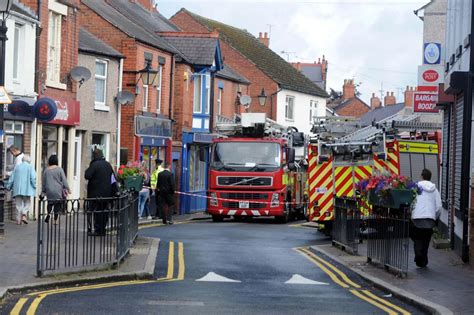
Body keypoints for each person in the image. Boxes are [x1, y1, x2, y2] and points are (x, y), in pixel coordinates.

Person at [411, 168, 441, 268]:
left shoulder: (416, 187)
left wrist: (412, 214)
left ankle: (418, 255)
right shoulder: (434, 190)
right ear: (430, 177)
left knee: (417, 238)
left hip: (417, 217)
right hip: (430, 218)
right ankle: (423, 260)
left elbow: (411, 202)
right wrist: (434, 217)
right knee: (426, 240)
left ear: (422, 176)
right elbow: (438, 207)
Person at [85, 149, 114, 236]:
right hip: (107, 194)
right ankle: (102, 229)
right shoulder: (108, 165)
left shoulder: (94, 165)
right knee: (104, 212)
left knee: (96, 212)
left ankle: (97, 230)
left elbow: (87, 175)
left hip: (95, 194)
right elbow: (113, 178)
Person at [6, 155, 36, 225]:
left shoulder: (17, 167)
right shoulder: (30, 167)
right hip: (27, 189)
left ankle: (18, 220)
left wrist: (8, 186)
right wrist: (34, 186)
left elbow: (11, 179)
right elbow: (33, 178)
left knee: (18, 205)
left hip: (17, 189)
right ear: (29, 161)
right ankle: (24, 214)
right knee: (27, 203)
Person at [42, 155, 70, 224]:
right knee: (57, 204)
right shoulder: (60, 169)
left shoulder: (46, 170)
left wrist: (43, 191)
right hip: (58, 190)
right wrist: (68, 189)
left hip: (49, 190)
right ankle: (55, 220)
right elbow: (64, 180)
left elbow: (44, 182)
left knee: (50, 203)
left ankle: (48, 214)